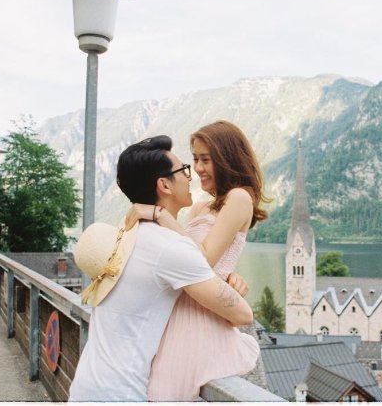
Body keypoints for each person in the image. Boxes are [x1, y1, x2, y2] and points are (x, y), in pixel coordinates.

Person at [68, 135, 254, 402]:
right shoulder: (171, 248)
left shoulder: (128, 235)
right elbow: (243, 314)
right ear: (164, 185)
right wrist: (227, 285)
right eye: (184, 170)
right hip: (122, 395)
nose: (191, 176)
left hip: (86, 387)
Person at [124, 120, 270, 401]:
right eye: (195, 159)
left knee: (165, 392)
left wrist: (158, 215)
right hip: (179, 310)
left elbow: (202, 259)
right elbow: (183, 255)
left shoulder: (240, 198)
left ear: (227, 159)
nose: (198, 168)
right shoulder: (201, 207)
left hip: (201, 317)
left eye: (206, 160)